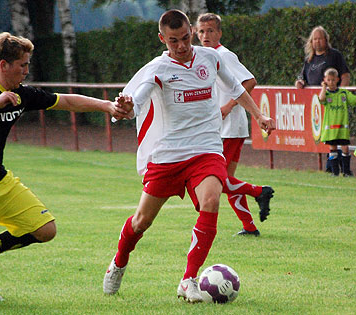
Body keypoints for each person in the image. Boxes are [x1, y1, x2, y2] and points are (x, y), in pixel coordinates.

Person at [0, 32, 131, 301]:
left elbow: (65, 101)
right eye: (22, 65)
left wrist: (107, 106)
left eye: (28, 65)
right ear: (4, 65)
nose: (27, 71)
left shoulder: (21, 94)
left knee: (46, 230)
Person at [102, 10, 275, 303]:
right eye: (173, 41)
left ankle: (189, 279)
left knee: (211, 201)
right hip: (168, 154)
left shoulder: (211, 58)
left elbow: (236, 88)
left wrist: (259, 116)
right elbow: (139, 100)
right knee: (141, 222)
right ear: (162, 39)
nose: (181, 46)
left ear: (191, 33)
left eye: (184, 38)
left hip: (206, 149)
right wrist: (128, 105)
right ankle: (119, 261)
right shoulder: (158, 68)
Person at [195, 13, 274, 237]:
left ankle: (259, 192)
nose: (205, 35)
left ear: (219, 33)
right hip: (221, 127)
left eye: (210, 31)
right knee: (226, 179)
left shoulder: (224, 55)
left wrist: (229, 106)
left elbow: (249, 81)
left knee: (219, 180)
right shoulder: (205, 56)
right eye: (201, 31)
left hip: (229, 127)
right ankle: (249, 226)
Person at [294, 26, 351, 173]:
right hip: (317, 103)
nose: (317, 41)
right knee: (325, 135)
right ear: (311, 42)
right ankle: (331, 166)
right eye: (315, 39)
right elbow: (302, 78)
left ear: (326, 39)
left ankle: (344, 168)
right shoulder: (309, 60)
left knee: (338, 135)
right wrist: (299, 83)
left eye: (320, 38)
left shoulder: (334, 55)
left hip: (333, 104)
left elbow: (345, 75)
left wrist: (341, 94)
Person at [318, 68, 356, 176]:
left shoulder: (343, 93)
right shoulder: (326, 94)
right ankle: (335, 172)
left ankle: (346, 171)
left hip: (342, 128)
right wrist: (323, 87)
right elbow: (321, 99)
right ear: (325, 80)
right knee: (333, 148)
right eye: (328, 80)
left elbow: (355, 100)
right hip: (331, 128)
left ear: (337, 79)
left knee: (345, 147)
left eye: (333, 80)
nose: (331, 82)